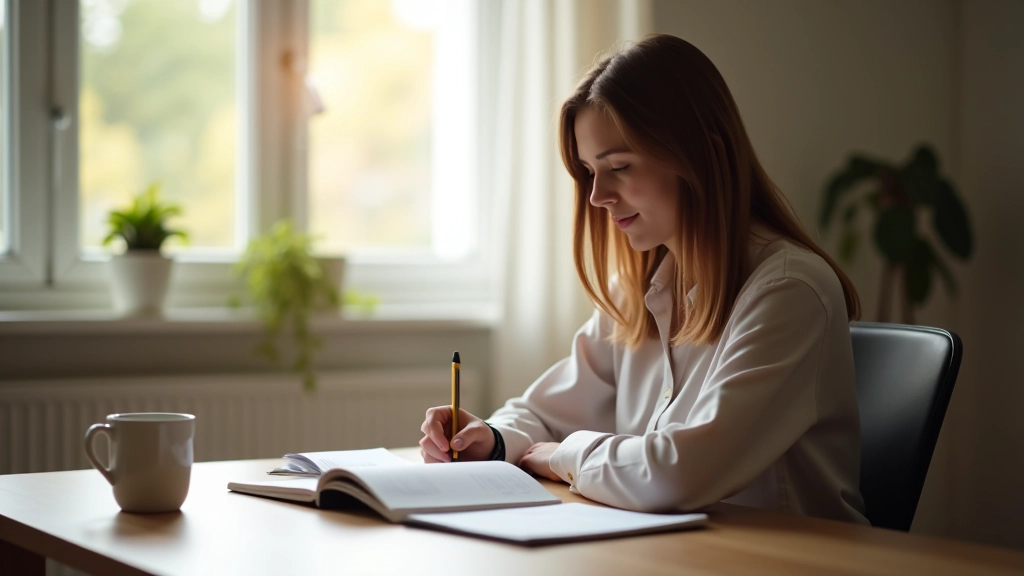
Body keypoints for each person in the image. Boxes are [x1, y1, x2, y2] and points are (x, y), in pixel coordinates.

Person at [419, 34, 868, 524]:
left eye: (619, 167)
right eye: (589, 171)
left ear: (700, 156)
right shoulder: (638, 291)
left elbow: (679, 472)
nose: (597, 197)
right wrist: (493, 437)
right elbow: (543, 413)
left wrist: (561, 455)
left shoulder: (789, 291)